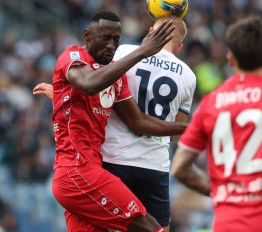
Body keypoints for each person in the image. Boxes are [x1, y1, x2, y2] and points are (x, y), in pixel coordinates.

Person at [34, 16, 196, 232]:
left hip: (89, 171)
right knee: (151, 227)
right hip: (78, 172)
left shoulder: (116, 76)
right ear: (88, 37)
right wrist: (141, 52)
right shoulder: (73, 56)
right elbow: (89, 84)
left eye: (116, 40)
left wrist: (192, 128)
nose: (111, 45)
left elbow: (137, 121)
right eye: (106, 38)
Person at [171, 15, 262, 232]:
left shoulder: (210, 103)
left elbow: (179, 168)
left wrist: (225, 192)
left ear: (230, 59)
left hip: (226, 224)